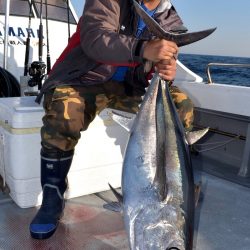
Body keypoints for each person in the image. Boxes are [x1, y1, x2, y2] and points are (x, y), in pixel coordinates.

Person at [29, 0, 194, 239]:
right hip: (82, 79)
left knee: (182, 106)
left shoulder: (170, 20)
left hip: (129, 86)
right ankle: (52, 198)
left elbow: (159, 63)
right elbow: (95, 38)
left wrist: (165, 69)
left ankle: (171, 197)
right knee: (64, 113)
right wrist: (144, 48)